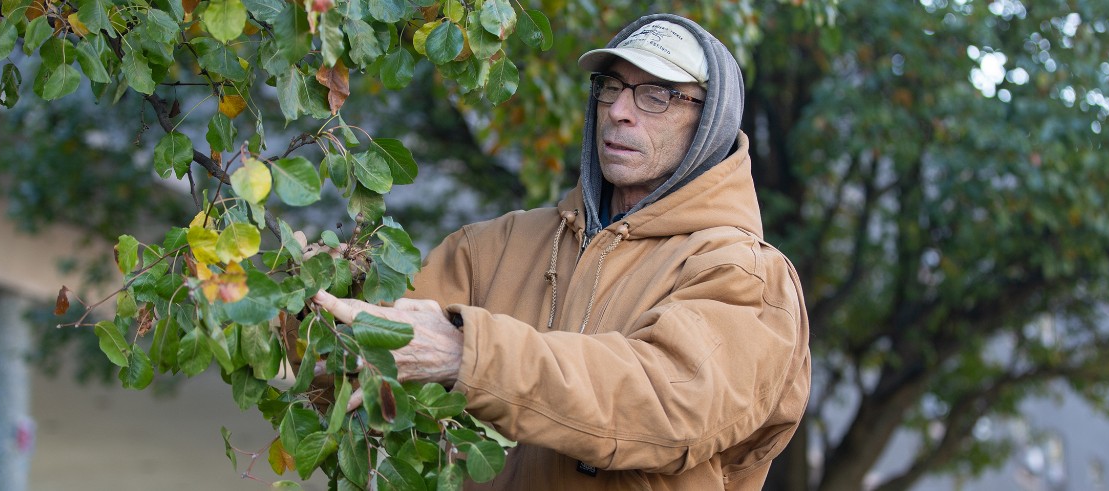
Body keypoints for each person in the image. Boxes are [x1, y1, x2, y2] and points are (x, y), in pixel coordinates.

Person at [314, 13, 811, 490]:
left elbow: (664, 403)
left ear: (710, 126)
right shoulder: (495, 246)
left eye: (657, 95)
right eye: (611, 88)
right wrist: (303, 293)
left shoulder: (745, 274)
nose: (618, 110)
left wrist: (468, 353)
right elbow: (365, 340)